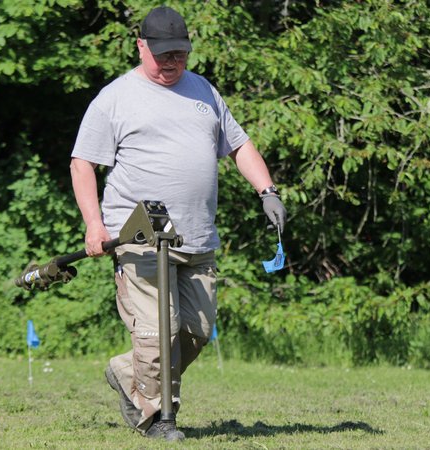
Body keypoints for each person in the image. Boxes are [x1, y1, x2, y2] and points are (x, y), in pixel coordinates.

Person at [69, 6, 286, 441]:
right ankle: (157, 418)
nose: (171, 63)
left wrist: (267, 191)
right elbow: (82, 164)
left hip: (198, 236)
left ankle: (125, 371)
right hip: (139, 237)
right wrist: (95, 225)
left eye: (180, 55)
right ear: (141, 46)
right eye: (163, 55)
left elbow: (240, 146)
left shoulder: (203, 90)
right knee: (156, 334)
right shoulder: (114, 98)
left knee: (196, 331)